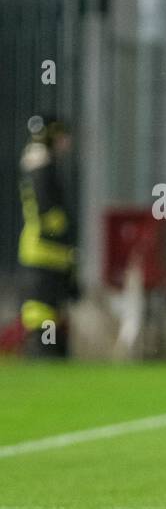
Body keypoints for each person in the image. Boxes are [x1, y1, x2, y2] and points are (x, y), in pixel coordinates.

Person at [16, 115, 77, 358]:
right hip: (44, 255)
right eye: (61, 135)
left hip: (46, 255)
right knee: (42, 317)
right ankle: (41, 357)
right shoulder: (42, 167)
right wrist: (67, 236)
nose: (65, 141)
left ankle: (45, 356)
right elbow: (49, 212)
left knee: (48, 315)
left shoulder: (37, 164)